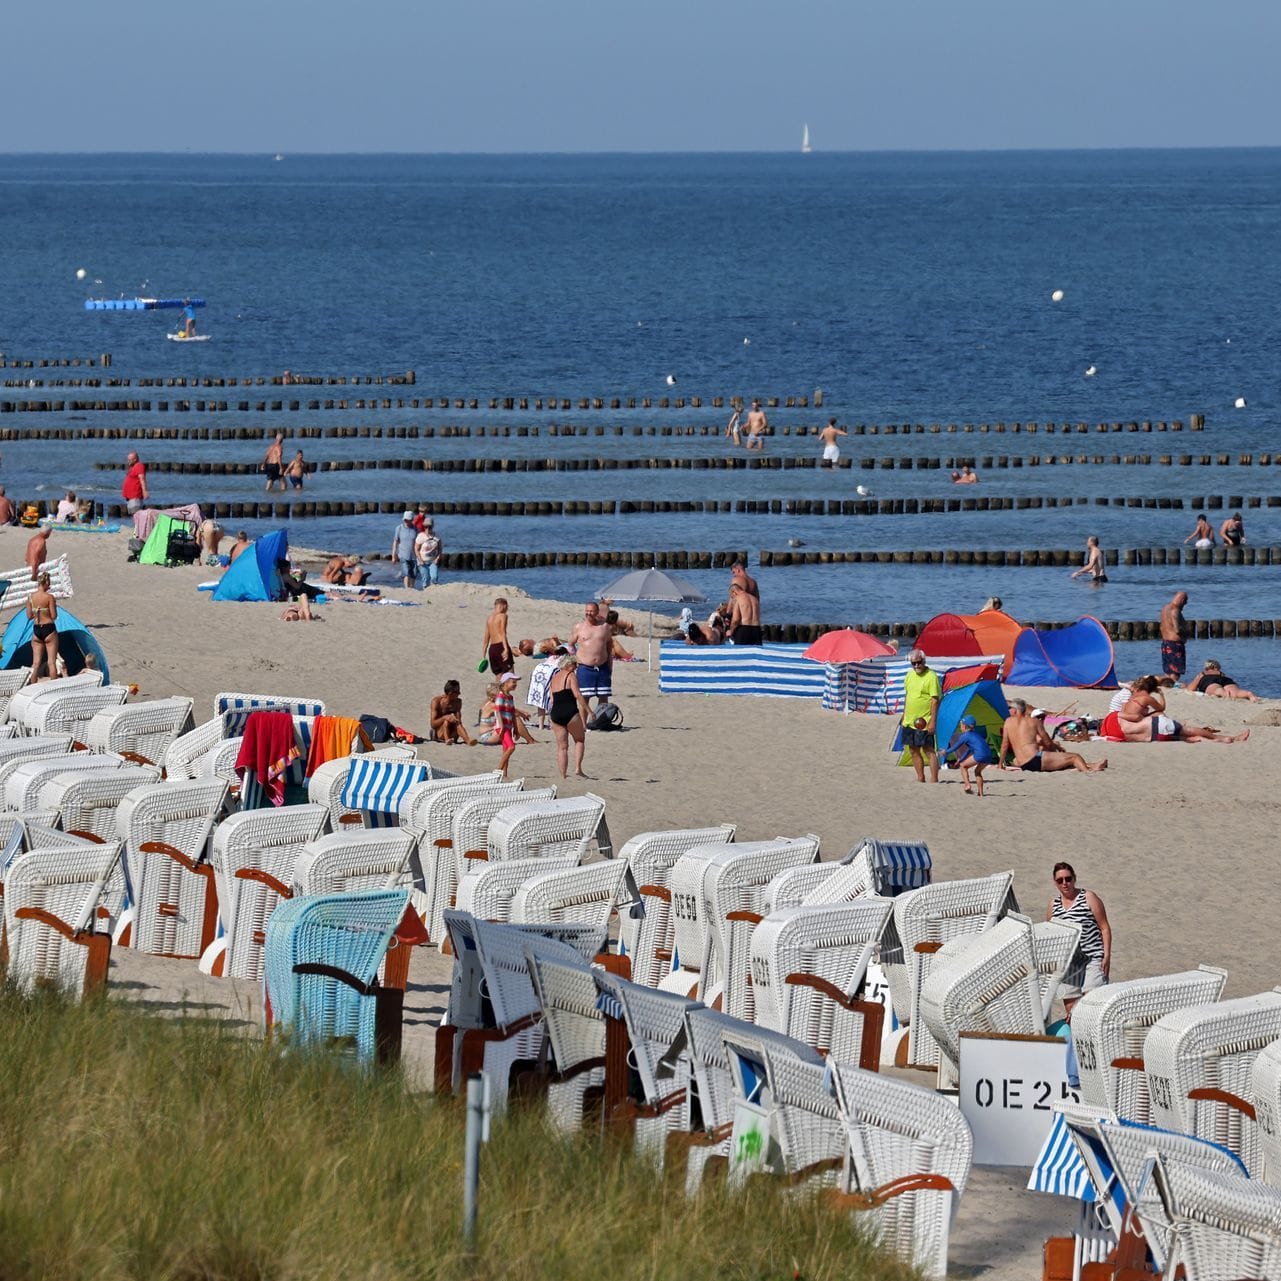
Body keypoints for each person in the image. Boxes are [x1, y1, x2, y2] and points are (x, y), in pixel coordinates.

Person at [1047, 863, 1111, 1017]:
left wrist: (1107, 956)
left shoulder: (1088, 897)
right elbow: (1050, 935)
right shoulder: (1053, 905)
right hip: (1069, 962)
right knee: (1072, 1012)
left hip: (1093, 958)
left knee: (1091, 1004)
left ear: (1074, 878)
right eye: (1060, 880)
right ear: (1055, 882)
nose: (1064, 883)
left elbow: (1104, 928)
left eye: (1068, 879)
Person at [998, 699, 1107, 773]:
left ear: (1016, 710)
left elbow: (1004, 745)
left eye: (1010, 708)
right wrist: (1055, 751)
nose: (1009, 710)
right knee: (1075, 757)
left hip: (1022, 763)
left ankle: (1092, 765)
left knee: (1062, 761)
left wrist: (1000, 764)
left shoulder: (1008, 722)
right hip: (1034, 760)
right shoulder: (1033, 721)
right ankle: (1088, 771)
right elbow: (1047, 741)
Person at [900, 649, 942, 784]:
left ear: (924, 662)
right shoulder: (909, 676)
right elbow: (908, 696)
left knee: (928, 750)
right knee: (913, 750)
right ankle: (920, 778)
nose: (916, 666)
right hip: (909, 720)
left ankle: (934, 779)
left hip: (925, 721)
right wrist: (903, 714)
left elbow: (935, 700)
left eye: (919, 662)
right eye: (913, 663)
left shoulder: (931, 676)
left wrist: (933, 722)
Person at [547, 655, 592, 779]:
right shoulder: (571, 675)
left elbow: (551, 700)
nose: (576, 667)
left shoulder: (554, 678)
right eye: (575, 664)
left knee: (562, 747)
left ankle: (563, 775)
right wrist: (589, 711)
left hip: (556, 713)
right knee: (579, 740)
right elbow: (577, 694)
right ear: (568, 665)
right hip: (570, 712)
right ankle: (578, 768)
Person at [569, 600, 614, 710]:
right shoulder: (579, 627)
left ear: (597, 612)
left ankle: (600, 722)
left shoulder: (605, 627)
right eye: (587, 611)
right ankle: (583, 726)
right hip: (585, 668)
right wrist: (576, 658)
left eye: (591, 611)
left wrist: (610, 666)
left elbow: (609, 647)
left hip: (602, 667)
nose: (588, 613)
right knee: (584, 699)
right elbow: (570, 645)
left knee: (603, 697)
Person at [944, 714, 996, 796]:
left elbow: (955, 746)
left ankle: (967, 785)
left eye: (960, 725)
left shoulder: (965, 736)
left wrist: (946, 752)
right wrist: (961, 758)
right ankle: (981, 794)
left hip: (980, 754)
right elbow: (969, 750)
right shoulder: (976, 734)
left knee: (963, 766)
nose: (960, 727)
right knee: (977, 771)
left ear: (964, 726)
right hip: (989, 755)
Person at [26, 571, 59, 681]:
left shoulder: (30, 597)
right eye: (49, 584)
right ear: (46, 583)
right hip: (48, 628)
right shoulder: (49, 597)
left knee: (35, 663)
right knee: (51, 662)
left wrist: (38, 611)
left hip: (36, 629)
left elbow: (29, 616)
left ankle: (32, 687)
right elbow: (54, 616)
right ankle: (54, 688)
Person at [1185, 659, 1260, 701]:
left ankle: (1224, 694)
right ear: (1216, 667)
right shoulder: (1221, 673)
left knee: (1217, 690)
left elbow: (1191, 689)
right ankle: (1248, 694)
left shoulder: (1203, 673)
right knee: (1235, 691)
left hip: (1209, 681)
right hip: (1226, 680)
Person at [430, 680, 477, 746]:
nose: (459, 693)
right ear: (450, 693)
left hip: (453, 733)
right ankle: (447, 740)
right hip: (439, 733)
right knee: (446, 721)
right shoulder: (436, 702)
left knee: (456, 722)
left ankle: (468, 740)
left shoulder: (458, 702)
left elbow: (459, 722)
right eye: (457, 692)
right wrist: (444, 717)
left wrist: (454, 719)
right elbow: (433, 724)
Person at [493, 671, 519, 778]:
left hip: (508, 726)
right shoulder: (500, 696)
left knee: (506, 750)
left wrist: (516, 729)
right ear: (506, 683)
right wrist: (502, 726)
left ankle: (504, 774)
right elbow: (498, 711)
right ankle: (498, 770)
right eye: (513, 682)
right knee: (511, 747)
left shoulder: (510, 697)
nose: (515, 684)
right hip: (502, 727)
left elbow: (513, 714)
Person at [1159, 590, 1190, 680]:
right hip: (1174, 644)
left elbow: (1162, 626)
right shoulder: (1175, 610)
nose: (1185, 605)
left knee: (1168, 670)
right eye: (1185, 602)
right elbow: (1177, 629)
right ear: (1182, 600)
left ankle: (1168, 685)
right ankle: (1173, 685)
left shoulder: (1165, 608)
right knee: (1175, 671)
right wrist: (1186, 632)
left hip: (1165, 642)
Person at [481, 597, 514, 676]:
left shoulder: (489, 619)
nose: (507, 609)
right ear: (503, 606)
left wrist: (483, 656)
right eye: (507, 607)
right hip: (501, 646)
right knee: (510, 676)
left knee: (498, 677)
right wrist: (506, 648)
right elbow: (503, 632)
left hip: (492, 649)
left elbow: (486, 640)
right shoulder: (503, 616)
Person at [390, 511, 418, 590]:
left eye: (407, 519)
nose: (405, 521)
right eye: (404, 519)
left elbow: (418, 542)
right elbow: (395, 542)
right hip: (403, 554)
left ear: (412, 519)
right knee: (406, 573)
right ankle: (407, 588)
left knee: (413, 573)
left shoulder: (415, 529)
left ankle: (412, 588)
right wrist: (393, 555)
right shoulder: (399, 528)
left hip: (414, 555)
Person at [414, 518, 443, 589]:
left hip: (433, 561)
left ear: (432, 527)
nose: (427, 529)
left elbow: (440, 549)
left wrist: (438, 558)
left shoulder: (437, 537)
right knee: (426, 579)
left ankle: (434, 590)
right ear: (424, 527)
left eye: (429, 527)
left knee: (434, 577)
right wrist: (420, 560)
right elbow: (416, 549)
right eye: (426, 527)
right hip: (423, 562)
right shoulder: (421, 536)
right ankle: (426, 591)